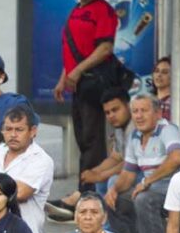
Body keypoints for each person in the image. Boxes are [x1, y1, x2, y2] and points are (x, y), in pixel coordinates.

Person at [104, 93, 180, 233]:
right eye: (135, 111)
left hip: (173, 186)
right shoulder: (135, 136)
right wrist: (114, 190)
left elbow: (177, 158)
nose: (139, 116)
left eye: (144, 111)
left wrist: (147, 181)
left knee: (143, 199)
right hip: (151, 187)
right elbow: (127, 174)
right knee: (116, 201)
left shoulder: (167, 130)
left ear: (157, 113)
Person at [54, 0, 118, 194]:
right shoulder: (76, 10)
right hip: (77, 85)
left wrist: (78, 70)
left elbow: (105, 49)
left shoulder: (104, 11)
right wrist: (64, 78)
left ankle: (89, 191)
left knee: (93, 141)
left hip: (94, 83)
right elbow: (71, 51)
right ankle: (83, 188)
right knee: (82, 139)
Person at [47, 87, 131, 218]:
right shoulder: (119, 128)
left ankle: (106, 223)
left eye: (115, 110)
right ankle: (103, 222)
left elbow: (130, 164)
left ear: (128, 105)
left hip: (144, 174)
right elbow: (115, 157)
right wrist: (95, 171)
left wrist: (101, 175)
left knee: (111, 180)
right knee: (101, 181)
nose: (111, 116)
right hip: (130, 171)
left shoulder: (134, 127)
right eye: (107, 112)